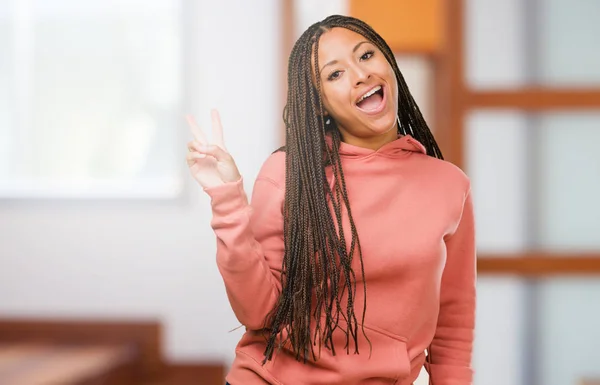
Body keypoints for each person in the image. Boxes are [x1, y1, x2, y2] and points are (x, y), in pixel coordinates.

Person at [186, 14, 476, 385]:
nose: (359, 75)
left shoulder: (449, 185)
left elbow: (454, 319)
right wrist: (227, 200)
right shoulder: (288, 173)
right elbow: (257, 313)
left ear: (389, 65)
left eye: (366, 56)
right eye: (334, 74)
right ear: (319, 103)